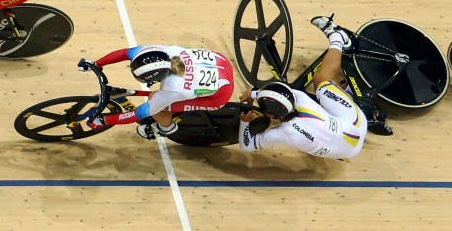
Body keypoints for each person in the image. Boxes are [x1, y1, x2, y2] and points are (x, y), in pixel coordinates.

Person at [237, 15, 368, 160]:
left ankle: (338, 39)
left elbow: (247, 145)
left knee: (314, 133)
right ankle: (337, 37)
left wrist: (245, 123)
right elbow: (283, 90)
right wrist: (254, 93)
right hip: (356, 125)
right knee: (321, 80)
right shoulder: (300, 98)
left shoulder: (284, 132)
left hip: (347, 154)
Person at [78, 45, 235, 140]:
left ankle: (166, 128)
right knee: (158, 99)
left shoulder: (174, 88)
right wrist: (96, 63)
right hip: (220, 61)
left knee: (154, 100)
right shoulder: (162, 52)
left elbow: (139, 113)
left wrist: (105, 120)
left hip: (219, 96)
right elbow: (127, 53)